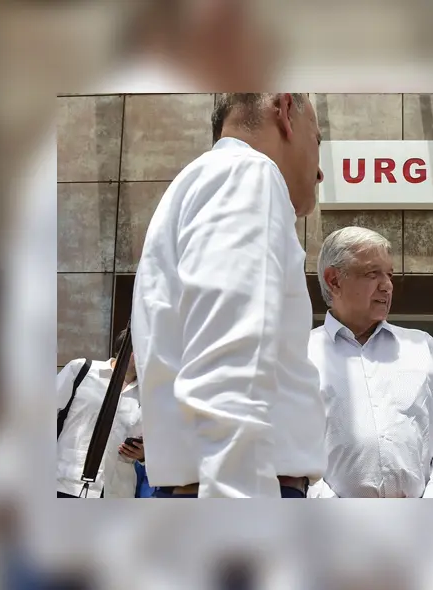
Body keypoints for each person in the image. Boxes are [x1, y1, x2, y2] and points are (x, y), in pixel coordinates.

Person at [131, 93, 326, 498]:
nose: (321, 171)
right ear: (286, 111)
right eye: (318, 139)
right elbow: (231, 363)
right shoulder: (249, 174)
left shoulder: (200, 182)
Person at [306, 227, 433, 498]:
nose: (387, 285)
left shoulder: (422, 348)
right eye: (372, 274)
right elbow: (289, 450)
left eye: (389, 274)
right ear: (334, 280)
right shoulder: (301, 355)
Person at [55, 329, 142, 498]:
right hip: (67, 483)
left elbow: (156, 444)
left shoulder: (150, 395)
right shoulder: (82, 369)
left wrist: (143, 455)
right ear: (123, 348)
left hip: (117, 490)